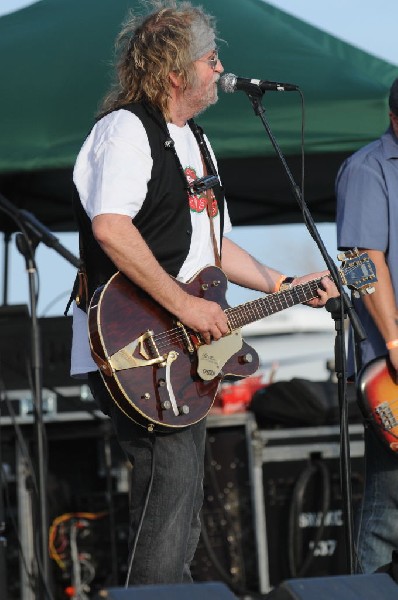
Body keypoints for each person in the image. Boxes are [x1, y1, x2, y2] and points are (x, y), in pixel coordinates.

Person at [69, 0, 338, 586]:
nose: (221, 70)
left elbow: (214, 250)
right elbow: (111, 228)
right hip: (133, 342)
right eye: (211, 59)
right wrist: (185, 305)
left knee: (180, 506)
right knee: (170, 493)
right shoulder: (124, 131)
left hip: (179, 345)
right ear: (174, 71)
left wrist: (286, 285)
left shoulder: (197, 142)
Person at [336, 77, 398, 574]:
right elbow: (360, 258)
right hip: (391, 369)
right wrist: (395, 338)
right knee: (388, 510)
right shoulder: (368, 169)